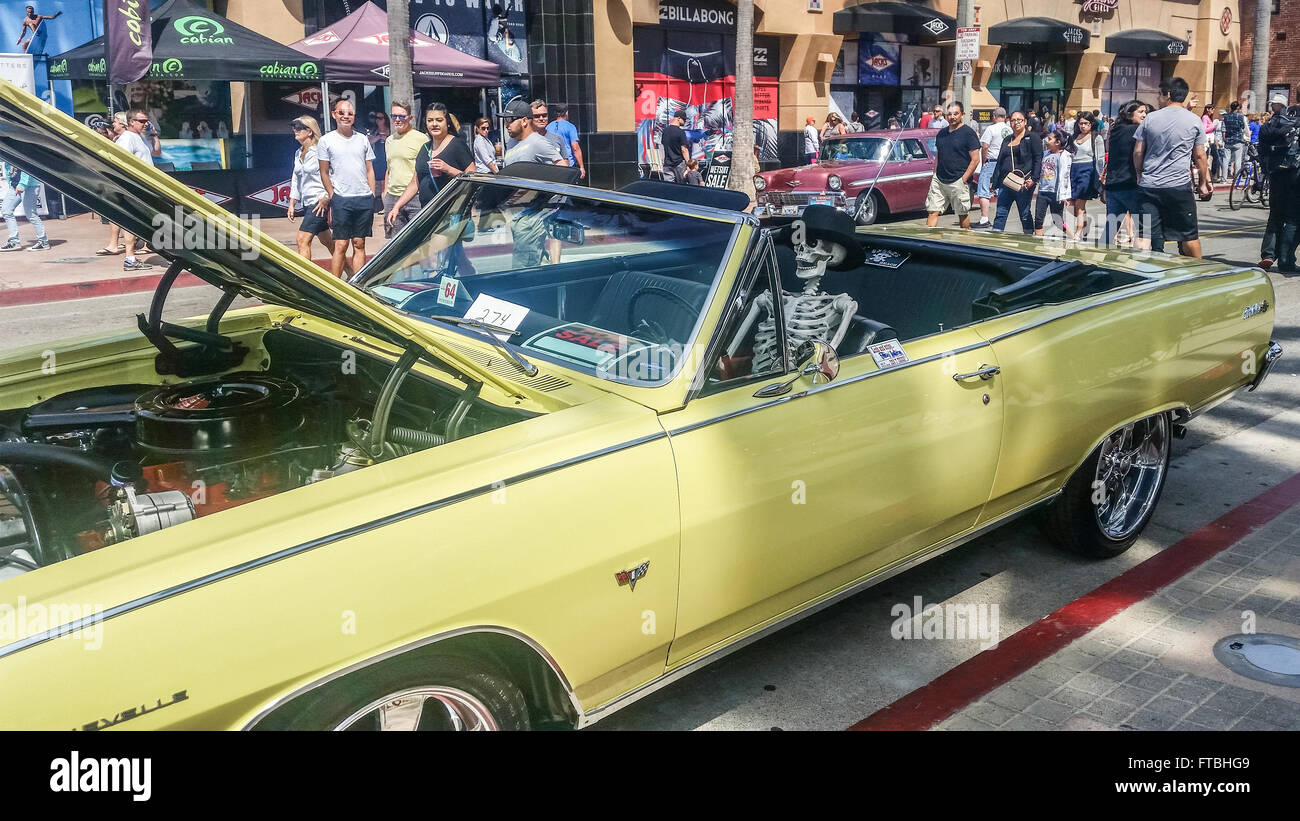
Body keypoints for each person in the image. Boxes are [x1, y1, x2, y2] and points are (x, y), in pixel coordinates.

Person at [1133, 77, 1212, 257]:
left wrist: (1140, 174)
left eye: (1159, 95)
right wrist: (1203, 181)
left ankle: (1140, 270)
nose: (1158, 99)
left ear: (1168, 95)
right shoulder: (1193, 120)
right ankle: (1196, 273)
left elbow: (1138, 152)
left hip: (1150, 185)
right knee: (1189, 235)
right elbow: (1200, 155)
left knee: (1145, 235)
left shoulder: (1150, 118)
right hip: (1179, 186)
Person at [388, 102, 475, 229]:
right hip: (428, 213)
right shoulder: (425, 148)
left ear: (447, 122)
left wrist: (448, 169)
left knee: (448, 248)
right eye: (430, 120)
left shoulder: (457, 145)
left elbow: (473, 177)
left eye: (439, 120)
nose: (434, 124)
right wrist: (397, 206)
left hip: (451, 213)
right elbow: (415, 182)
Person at [317, 98, 376, 279]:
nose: (345, 116)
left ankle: (358, 285)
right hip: (342, 198)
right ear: (334, 114)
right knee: (341, 244)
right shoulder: (326, 141)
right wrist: (333, 195)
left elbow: (369, 169)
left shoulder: (362, 139)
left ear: (354, 116)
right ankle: (336, 287)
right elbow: (324, 172)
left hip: (363, 198)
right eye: (341, 113)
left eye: (349, 113)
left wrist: (372, 193)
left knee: (359, 243)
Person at [286, 116, 348, 272]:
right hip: (307, 202)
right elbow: (296, 178)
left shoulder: (321, 150)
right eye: (294, 127)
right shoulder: (298, 153)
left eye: (299, 128)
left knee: (302, 240)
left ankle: (304, 280)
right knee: (328, 242)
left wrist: (327, 198)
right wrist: (292, 203)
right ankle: (352, 273)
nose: (295, 130)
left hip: (318, 202)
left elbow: (336, 176)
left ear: (309, 131)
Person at [115, 109, 161, 271]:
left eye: (147, 121)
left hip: (146, 186)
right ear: (131, 122)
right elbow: (121, 162)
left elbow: (156, 152)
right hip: (135, 186)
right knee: (132, 221)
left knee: (142, 221)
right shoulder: (127, 138)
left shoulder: (140, 137)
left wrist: (153, 134)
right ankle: (130, 258)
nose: (145, 124)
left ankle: (133, 257)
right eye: (142, 121)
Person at [925, 103, 981, 230]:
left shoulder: (968, 133)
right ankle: (929, 243)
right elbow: (939, 155)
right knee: (932, 211)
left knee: (962, 214)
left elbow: (975, 159)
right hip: (939, 180)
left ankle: (965, 242)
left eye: (955, 114)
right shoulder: (942, 133)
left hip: (959, 180)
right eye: (949, 114)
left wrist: (964, 179)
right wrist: (934, 174)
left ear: (962, 115)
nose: (952, 117)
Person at [1101, 100, 1149, 248]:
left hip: (1113, 185)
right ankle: (1142, 263)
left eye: (1145, 112)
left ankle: (1100, 260)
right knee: (1144, 229)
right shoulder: (1136, 130)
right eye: (1140, 112)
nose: (1144, 115)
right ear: (1129, 114)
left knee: (1111, 227)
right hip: (1130, 184)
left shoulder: (1115, 130)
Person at [1257, 96, 1298, 269]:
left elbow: (1264, 138)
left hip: (1277, 171)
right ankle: (1286, 259)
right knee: (1293, 217)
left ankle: (1268, 253)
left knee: (1275, 213)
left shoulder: (1283, 114)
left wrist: (1266, 166)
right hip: (1296, 171)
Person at [381, 101, 428, 238]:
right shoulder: (389, 140)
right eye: (394, 116)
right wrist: (385, 193)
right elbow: (389, 168)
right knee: (395, 243)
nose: (397, 120)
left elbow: (424, 169)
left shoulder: (421, 139)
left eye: (401, 116)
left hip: (415, 197)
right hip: (392, 197)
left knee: (418, 240)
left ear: (410, 118)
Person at [991, 111, 1043, 234]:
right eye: (1013, 120)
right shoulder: (1007, 139)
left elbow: (1038, 159)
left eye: (1019, 120)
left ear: (1025, 122)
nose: (1016, 123)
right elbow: (1000, 161)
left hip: (1024, 183)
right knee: (1000, 213)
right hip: (1006, 182)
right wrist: (994, 181)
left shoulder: (1032, 137)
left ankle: (1029, 239)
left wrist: (1034, 179)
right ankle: (995, 240)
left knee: (1024, 214)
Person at [1067, 112, 1105, 240]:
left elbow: (1100, 159)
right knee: (1072, 205)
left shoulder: (1096, 138)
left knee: (1080, 202)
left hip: (1087, 171)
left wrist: (1101, 177)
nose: (1083, 126)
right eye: (1081, 123)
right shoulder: (1074, 137)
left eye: (1086, 123)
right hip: (1073, 170)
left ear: (1091, 124)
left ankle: (1079, 231)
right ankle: (1084, 223)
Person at [0, 161, 47, 251]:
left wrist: (22, 184)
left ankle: (43, 241)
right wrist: (11, 181)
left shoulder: (19, 148)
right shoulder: (6, 150)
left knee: (31, 214)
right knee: (6, 210)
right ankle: (14, 242)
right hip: (15, 186)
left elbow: (25, 166)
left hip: (30, 186)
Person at [976, 108, 1010, 228]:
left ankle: (984, 219)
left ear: (994, 116)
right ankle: (1000, 218)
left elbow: (985, 146)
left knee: (983, 189)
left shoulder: (991, 128)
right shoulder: (1009, 129)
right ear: (1005, 116)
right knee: (1001, 190)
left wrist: (984, 161)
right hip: (1005, 162)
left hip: (992, 161)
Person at [1034, 131, 1072, 238]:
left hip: (1056, 193)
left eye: (1050, 139)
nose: (1047, 141)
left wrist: (1064, 195)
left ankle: (1073, 237)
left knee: (1057, 221)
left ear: (1058, 142)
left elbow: (1066, 176)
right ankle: (1038, 241)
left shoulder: (1064, 156)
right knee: (1038, 219)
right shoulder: (1046, 154)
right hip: (1043, 191)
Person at [546, 104, 585, 180]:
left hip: (552, 165)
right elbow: (575, 147)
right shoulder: (570, 127)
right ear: (566, 113)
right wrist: (581, 167)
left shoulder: (548, 126)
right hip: (567, 164)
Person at [659, 108, 690, 181]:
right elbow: (684, 150)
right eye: (684, 120)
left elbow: (663, 145)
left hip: (667, 164)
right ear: (679, 118)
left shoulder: (665, 131)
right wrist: (688, 164)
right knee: (681, 187)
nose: (685, 122)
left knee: (669, 187)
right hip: (679, 164)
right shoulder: (680, 132)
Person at [1224, 101, 1247, 179]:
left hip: (1228, 139)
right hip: (1238, 140)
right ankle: (1236, 178)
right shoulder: (1240, 116)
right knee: (1238, 160)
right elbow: (1243, 126)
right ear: (1237, 108)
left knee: (1226, 160)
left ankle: (1224, 178)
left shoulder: (1226, 116)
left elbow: (1224, 128)